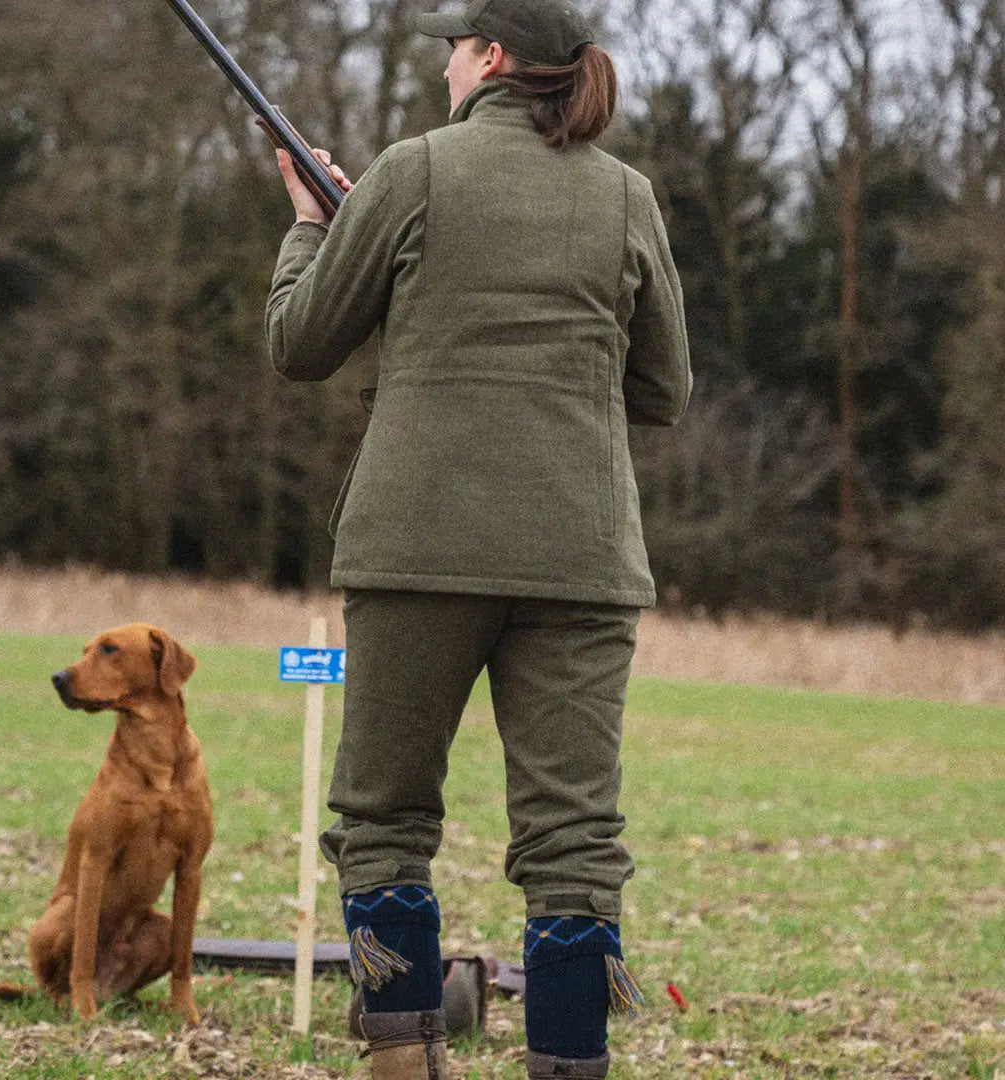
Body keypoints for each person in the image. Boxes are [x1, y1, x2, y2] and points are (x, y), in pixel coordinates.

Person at [265, 0, 691, 1075]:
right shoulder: (628, 195)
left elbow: (301, 341)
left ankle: (403, 1060)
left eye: (455, 49)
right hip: (581, 557)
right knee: (573, 840)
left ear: (490, 58)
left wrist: (313, 224)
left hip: (416, 547)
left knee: (384, 817)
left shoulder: (411, 172)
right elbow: (666, 389)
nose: (449, 67)